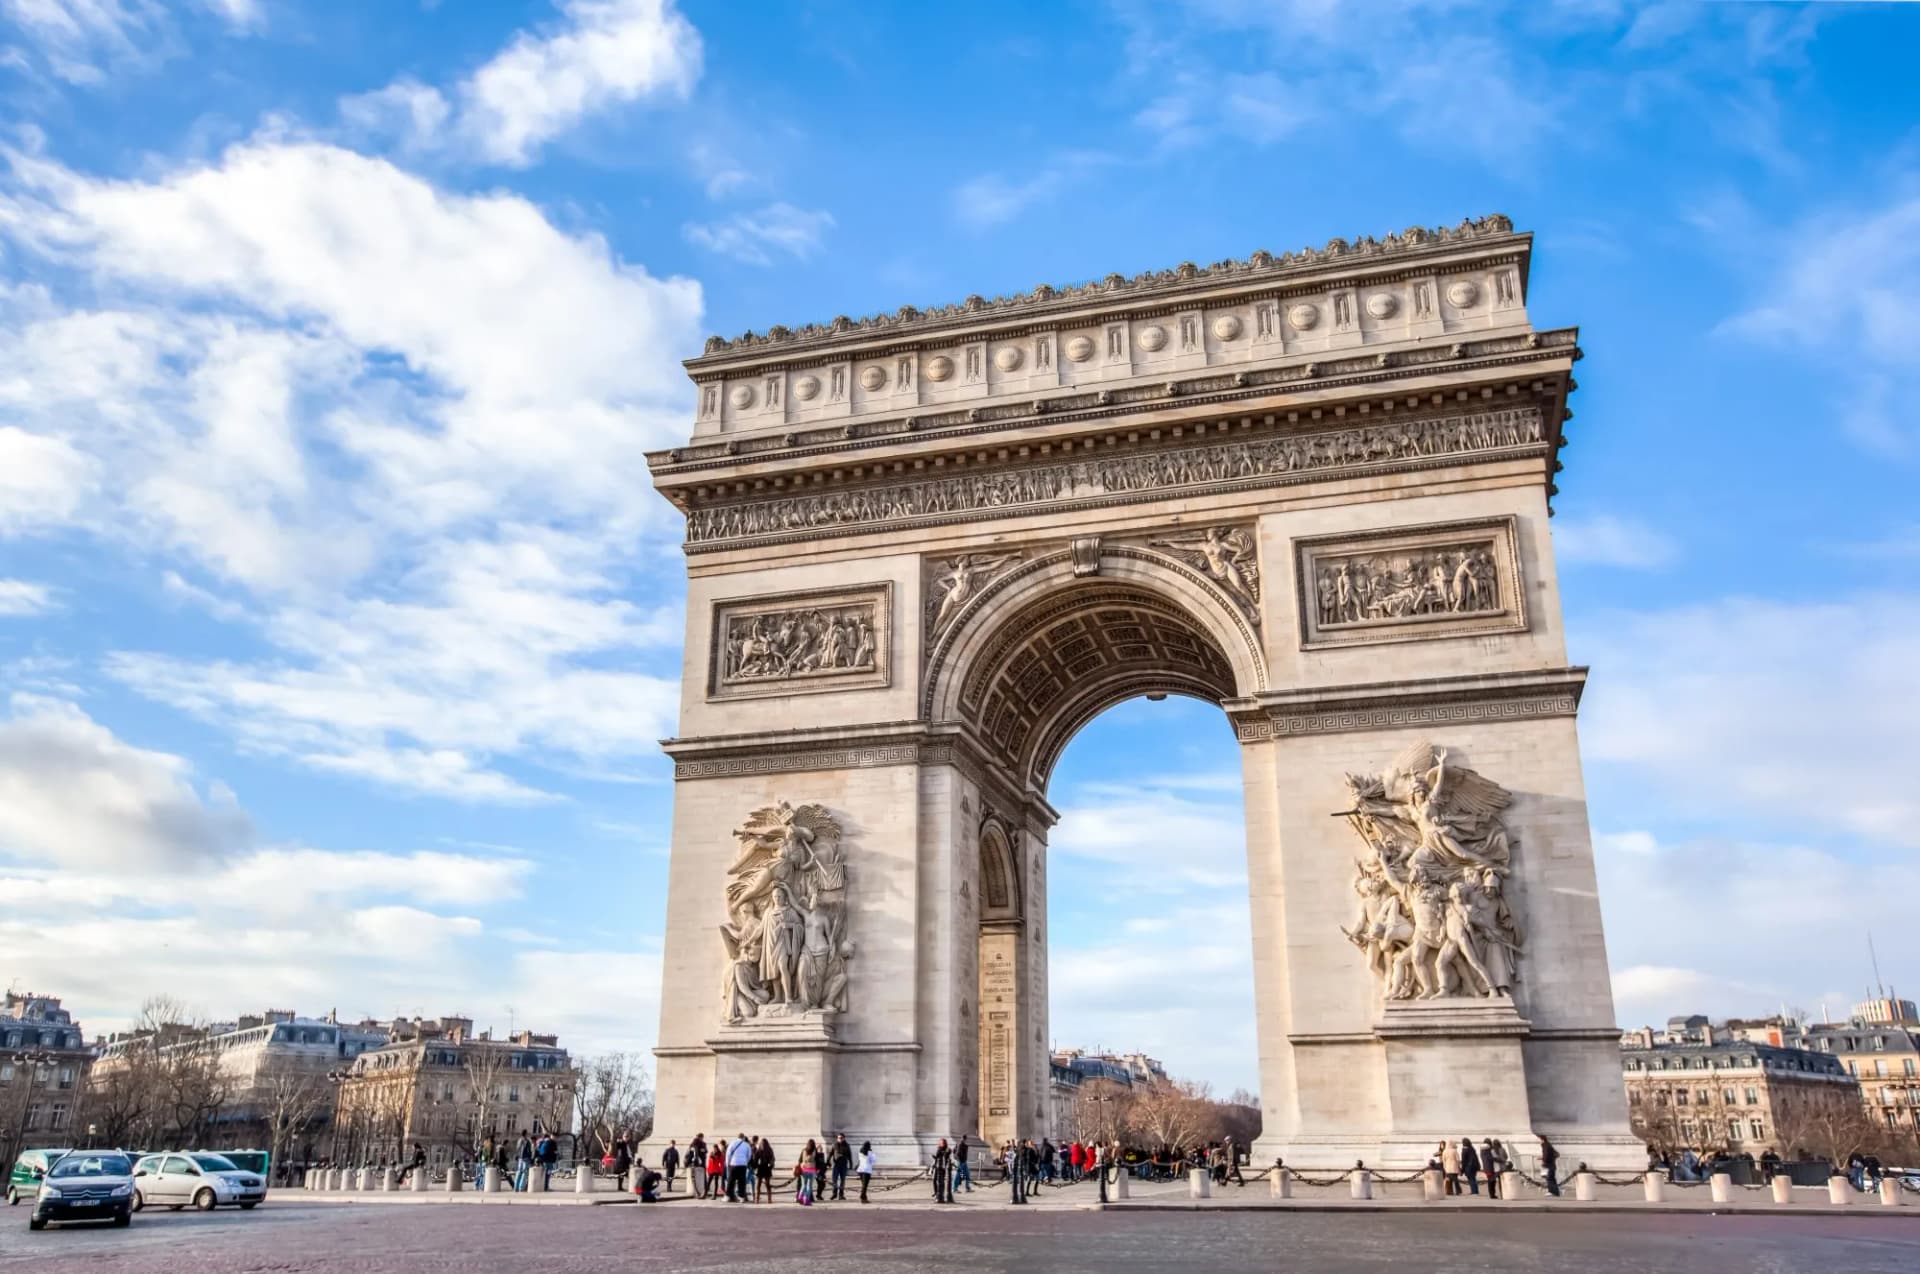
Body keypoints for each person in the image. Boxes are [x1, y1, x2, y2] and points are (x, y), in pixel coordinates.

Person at [726, 1132, 753, 1201]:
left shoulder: (732, 1143)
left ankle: (728, 1196)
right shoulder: (747, 1145)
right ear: (743, 1137)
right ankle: (741, 1197)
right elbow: (749, 1155)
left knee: (731, 1181)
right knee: (742, 1181)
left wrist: (727, 1163)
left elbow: (728, 1154)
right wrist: (745, 1162)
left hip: (733, 1164)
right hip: (743, 1165)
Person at [796, 1140, 820, 1205]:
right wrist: (817, 1169)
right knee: (809, 1186)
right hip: (811, 1170)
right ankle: (806, 1199)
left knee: (803, 1185)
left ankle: (800, 1198)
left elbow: (799, 1160)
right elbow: (817, 1161)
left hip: (803, 1169)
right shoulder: (815, 1151)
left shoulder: (803, 1150)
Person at [829, 1134, 852, 1201]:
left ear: (844, 1138)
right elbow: (830, 1154)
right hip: (836, 1165)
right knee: (834, 1180)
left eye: (841, 1138)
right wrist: (828, 1162)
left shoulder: (847, 1146)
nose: (840, 1139)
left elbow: (849, 1155)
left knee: (842, 1180)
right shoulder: (834, 1145)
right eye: (838, 1138)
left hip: (843, 1165)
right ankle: (834, 1193)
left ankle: (841, 1195)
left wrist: (851, 1164)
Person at [754, 1138, 777, 1203]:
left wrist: (755, 1167)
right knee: (768, 1185)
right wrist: (771, 1167)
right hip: (767, 1168)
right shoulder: (769, 1150)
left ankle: (757, 1199)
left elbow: (755, 1160)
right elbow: (772, 1159)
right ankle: (769, 1199)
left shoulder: (759, 1150)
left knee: (758, 1185)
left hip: (760, 1168)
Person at [932, 1138, 954, 1203]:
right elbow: (936, 1157)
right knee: (934, 1180)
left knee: (941, 1182)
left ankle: (942, 1196)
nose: (942, 1144)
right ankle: (936, 1193)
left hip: (943, 1167)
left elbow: (948, 1156)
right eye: (941, 1143)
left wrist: (946, 1153)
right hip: (937, 1166)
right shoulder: (938, 1149)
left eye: (943, 1143)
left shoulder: (948, 1149)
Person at [688, 1134, 707, 1198]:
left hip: (697, 1163)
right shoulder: (694, 1144)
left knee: (695, 1178)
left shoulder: (701, 1144)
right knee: (695, 1178)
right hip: (697, 1163)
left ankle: (699, 1192)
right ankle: (699, 1192)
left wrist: (704, 1151)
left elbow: (706, 1151)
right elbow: (690, 1154)